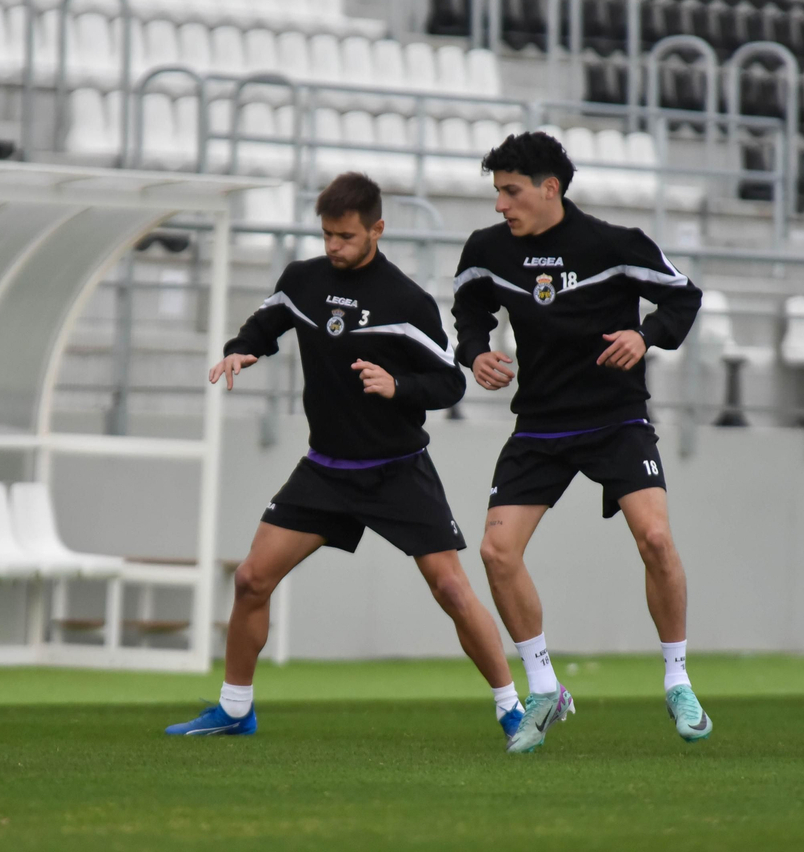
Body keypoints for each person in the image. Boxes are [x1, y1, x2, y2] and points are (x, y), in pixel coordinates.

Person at [166, 173, 521, 743]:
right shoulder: (302, 279)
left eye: (346, 236)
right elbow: (267, 323)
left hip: (396, 471)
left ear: (377, 229)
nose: (334, 246)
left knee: (452, 589)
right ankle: (235, 710)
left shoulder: (406, 301)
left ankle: (511, 708)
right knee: (253, 579)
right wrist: (241, 350)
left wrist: (397, 386)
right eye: (327, 234)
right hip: (325, 471)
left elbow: (449, 385)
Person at [452, 132, 710, 753]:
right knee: (496, 552)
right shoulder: (488, 251)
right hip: (539, 426)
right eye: (496, 193)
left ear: (550, 188)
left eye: (511, 192)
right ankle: (545, 688)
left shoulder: (615, 246)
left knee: (654, 537)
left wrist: (646, 337)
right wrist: (475, 354)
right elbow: (468, 309)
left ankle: (677, 679)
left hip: (616, 420)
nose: (500, 206)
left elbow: (683, 298)